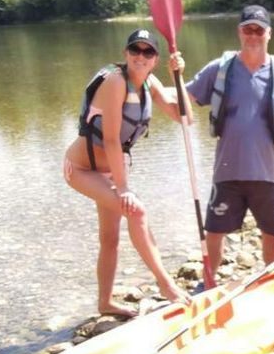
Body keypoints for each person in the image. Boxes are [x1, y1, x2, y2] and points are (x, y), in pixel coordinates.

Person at [168, 5, 274, 284]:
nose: (253, 36)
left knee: (272, 235)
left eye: (258, 30)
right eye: (247, 29)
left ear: (269, 34)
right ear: (239, 31)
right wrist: (172, 77)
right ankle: (208, 285)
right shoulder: (220, 69)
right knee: (213, 232)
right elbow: (183, 100)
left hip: (269, 172)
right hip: (228, 171)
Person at [64, 28, 190, 317]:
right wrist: (123, 189)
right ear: (126, 54)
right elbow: (109, 139)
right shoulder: (115, 82)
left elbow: (185, 118)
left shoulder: (150, 83)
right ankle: (167, 286)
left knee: (110, 238)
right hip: (81, 168)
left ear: (156, 59)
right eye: (135, 50)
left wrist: (178, 78)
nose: (140, 57)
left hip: (110, 171)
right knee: (137, 212)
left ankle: (105, 303)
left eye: (148, 52)